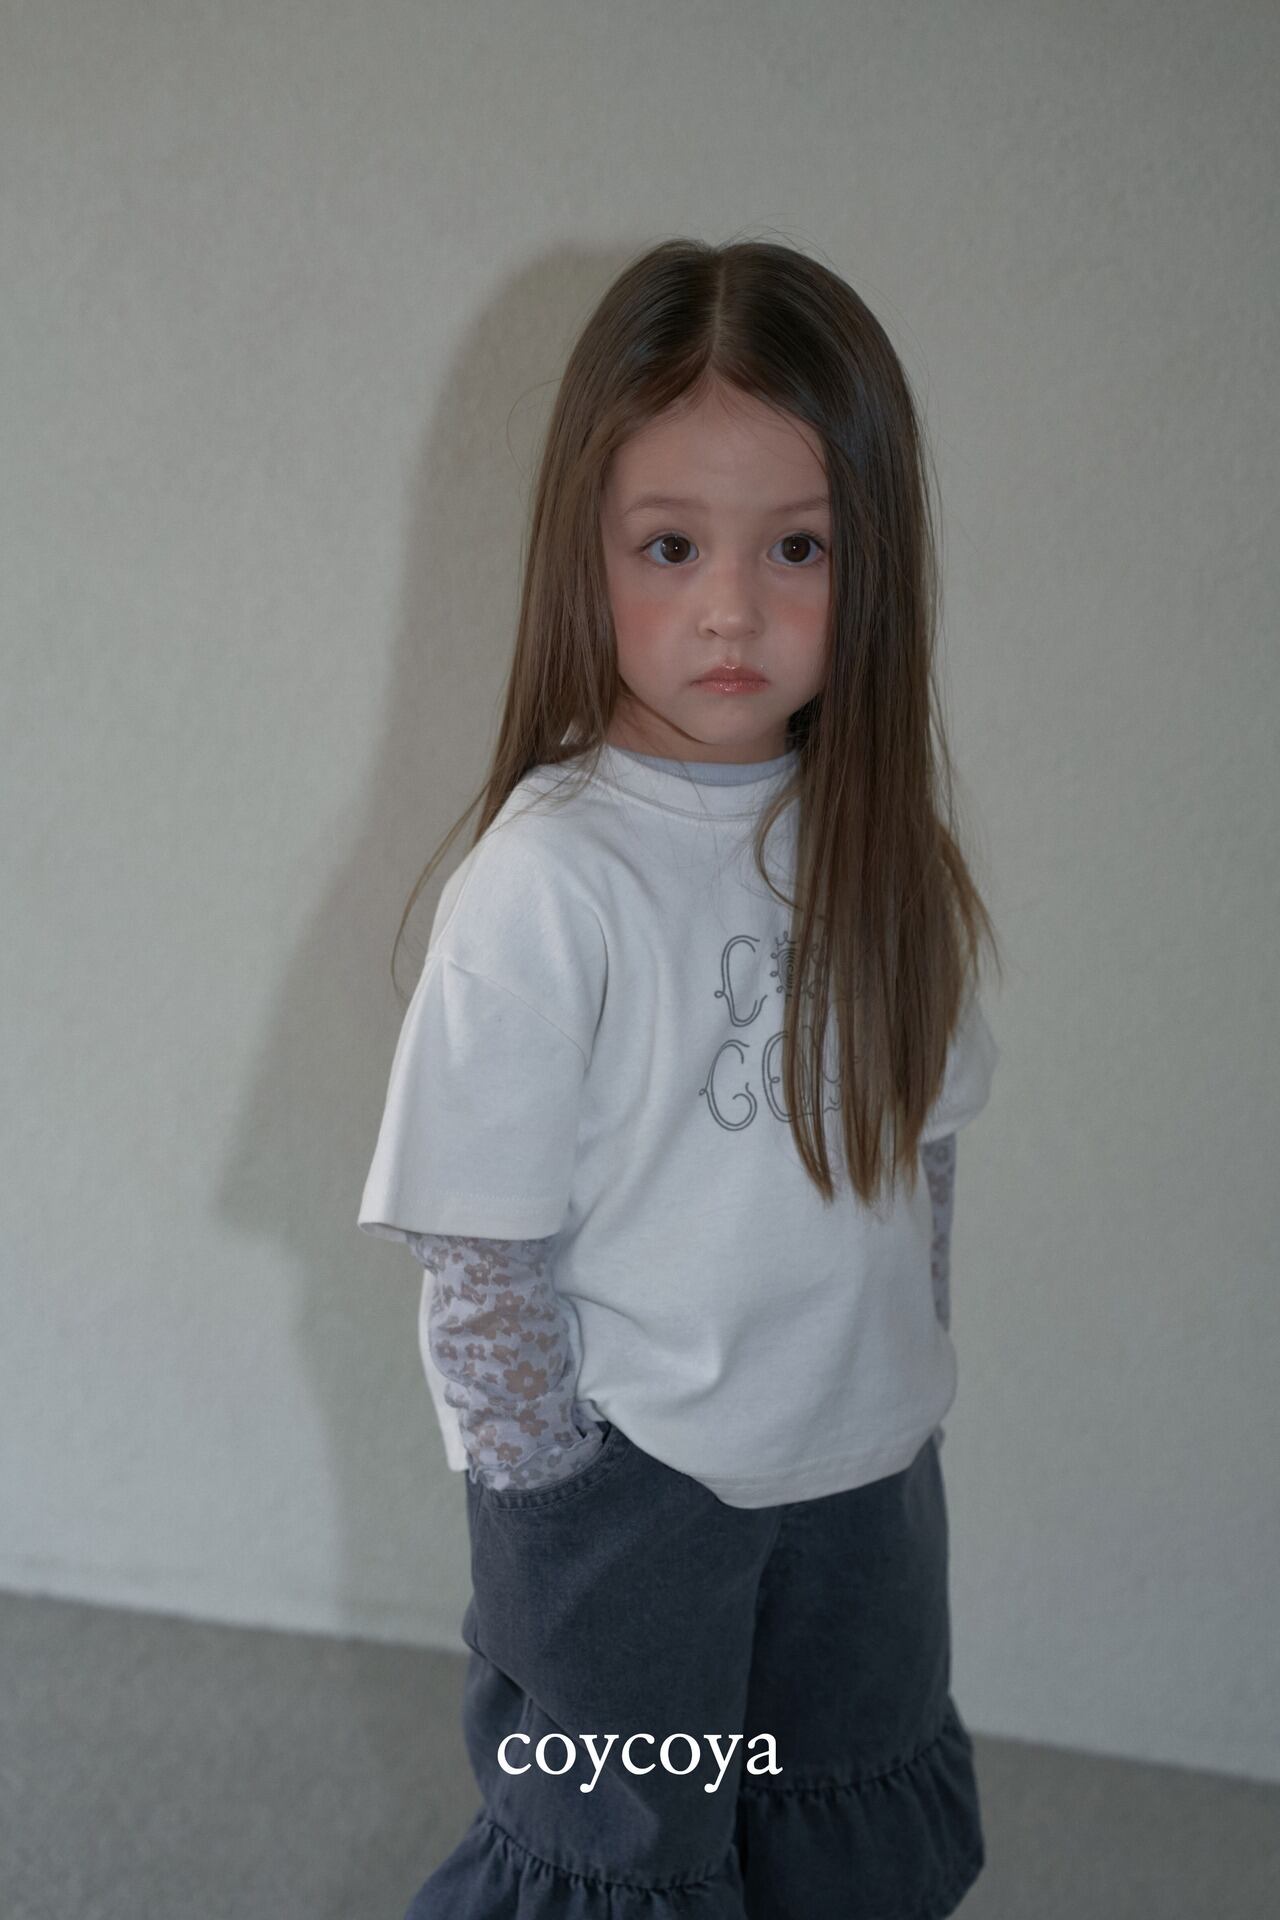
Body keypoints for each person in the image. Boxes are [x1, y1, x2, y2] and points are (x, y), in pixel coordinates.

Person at [357, 234, 1002, 1920]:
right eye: (671, 546)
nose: (732, 608)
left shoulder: (888, 852)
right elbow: (477, 1248)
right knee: (622, 1862)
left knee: (841, 1831)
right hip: (635, 1507)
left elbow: (923, 1154)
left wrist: (900, 1372)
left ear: (876, 561)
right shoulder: (550, 877)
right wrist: (557, 1496)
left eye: (797, 546)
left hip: (866, 1485)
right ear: (588, 553)